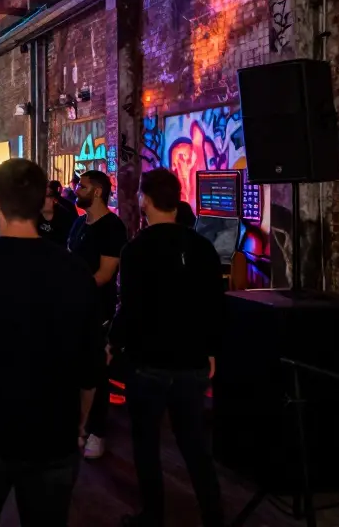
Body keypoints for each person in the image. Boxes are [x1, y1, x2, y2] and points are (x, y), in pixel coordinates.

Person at [0, 159, 103, 527]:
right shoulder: (74, 269)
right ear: (44, 202)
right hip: (54, 437)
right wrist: (80, 426)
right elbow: (91, 365)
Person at [111, 169, 225, 527]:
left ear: (144, 200)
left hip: (148, 362)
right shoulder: (203, 248)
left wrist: (114, 343)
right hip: (191, 361)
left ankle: (153, 515)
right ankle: (213, 516)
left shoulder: (136, 250)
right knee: (194, 445)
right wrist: (210, 350)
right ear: (177, 200)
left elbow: (128, 308)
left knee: (146, 444)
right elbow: (213, 306)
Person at [67, 169, 129, 461]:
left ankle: (97, 431)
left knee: (96, 374)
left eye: (83, 185)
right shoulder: (79, 223)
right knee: (76, 371)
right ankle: (78, 425)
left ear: (98, 192)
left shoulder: (112, 227)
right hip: (73, 309)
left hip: (97, 311)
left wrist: (73, 286)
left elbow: (105, 274)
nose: (77, 189)